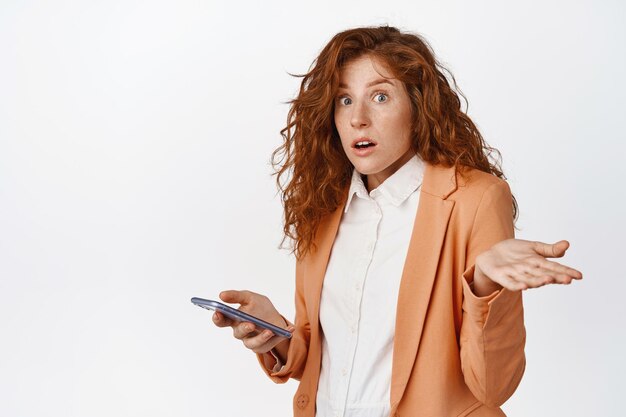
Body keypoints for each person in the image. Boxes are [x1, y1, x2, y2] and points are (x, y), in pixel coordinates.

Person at [211, 25, 583, 417]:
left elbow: (493, 385)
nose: (358, 119)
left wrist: (484, 287)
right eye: (344, 100)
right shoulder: (324, 206)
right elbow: (333, 358)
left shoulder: (475, 199)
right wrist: (277, 333)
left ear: (418, 105)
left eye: (381, 96)